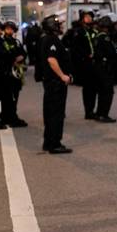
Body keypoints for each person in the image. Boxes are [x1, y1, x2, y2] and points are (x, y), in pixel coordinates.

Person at [39, 16, 73, 154]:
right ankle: (55, 144)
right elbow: (52, 60)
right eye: (59, 25)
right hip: (55, 83)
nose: (61, 27)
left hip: (51, 83)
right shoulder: (51, 40)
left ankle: (48, 142)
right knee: (56, 114)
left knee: (50, 113)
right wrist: (62, 75)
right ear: (53, 26)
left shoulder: (46, 39)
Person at [2, 20, 28, 127]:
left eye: (11, 29)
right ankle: (10, 118)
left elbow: (23, 53)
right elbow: (4, 55)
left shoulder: (16, 42)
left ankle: (11, 116)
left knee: (15, 95)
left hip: (17, 73)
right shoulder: (2, 42)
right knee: (8, 97)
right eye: (7, 28)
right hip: (7, 74)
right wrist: (14, 59)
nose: (10, 31)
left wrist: (22, 57)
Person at [92, 16, 117, 123]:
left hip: (98, 67)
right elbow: (111, 53)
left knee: (101, 91)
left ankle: (99, 113)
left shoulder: (97, 37)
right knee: (107, 92)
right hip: (105, 68)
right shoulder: (105, 38)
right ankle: (104, 114)